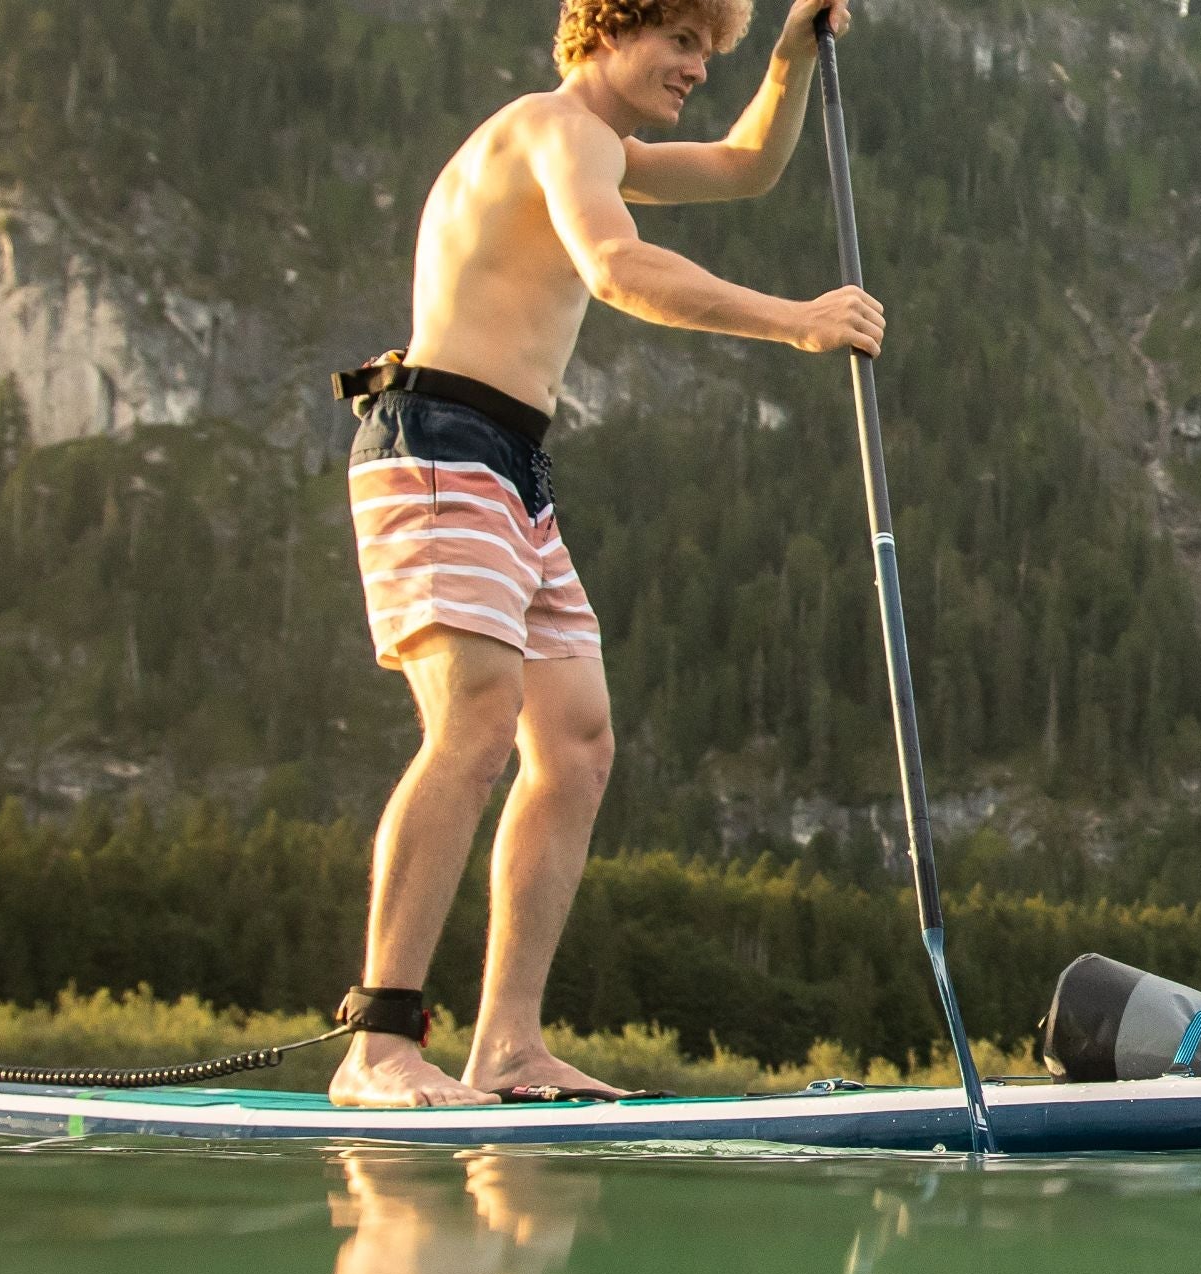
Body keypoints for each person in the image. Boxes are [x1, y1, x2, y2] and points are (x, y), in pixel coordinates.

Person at [326, 0, 883, 1107]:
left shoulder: (599, 146)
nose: (695, 70)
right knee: (476, 724)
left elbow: (745, 167)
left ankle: (508, 1045)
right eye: (680, 42)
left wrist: (786, 56)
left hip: (512, 466)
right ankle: (379, 1043)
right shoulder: (555, 129)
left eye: (709, 51)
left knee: (575, 745)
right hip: (439, 442)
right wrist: (798, 320)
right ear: (607, 32)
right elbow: (618, 268)